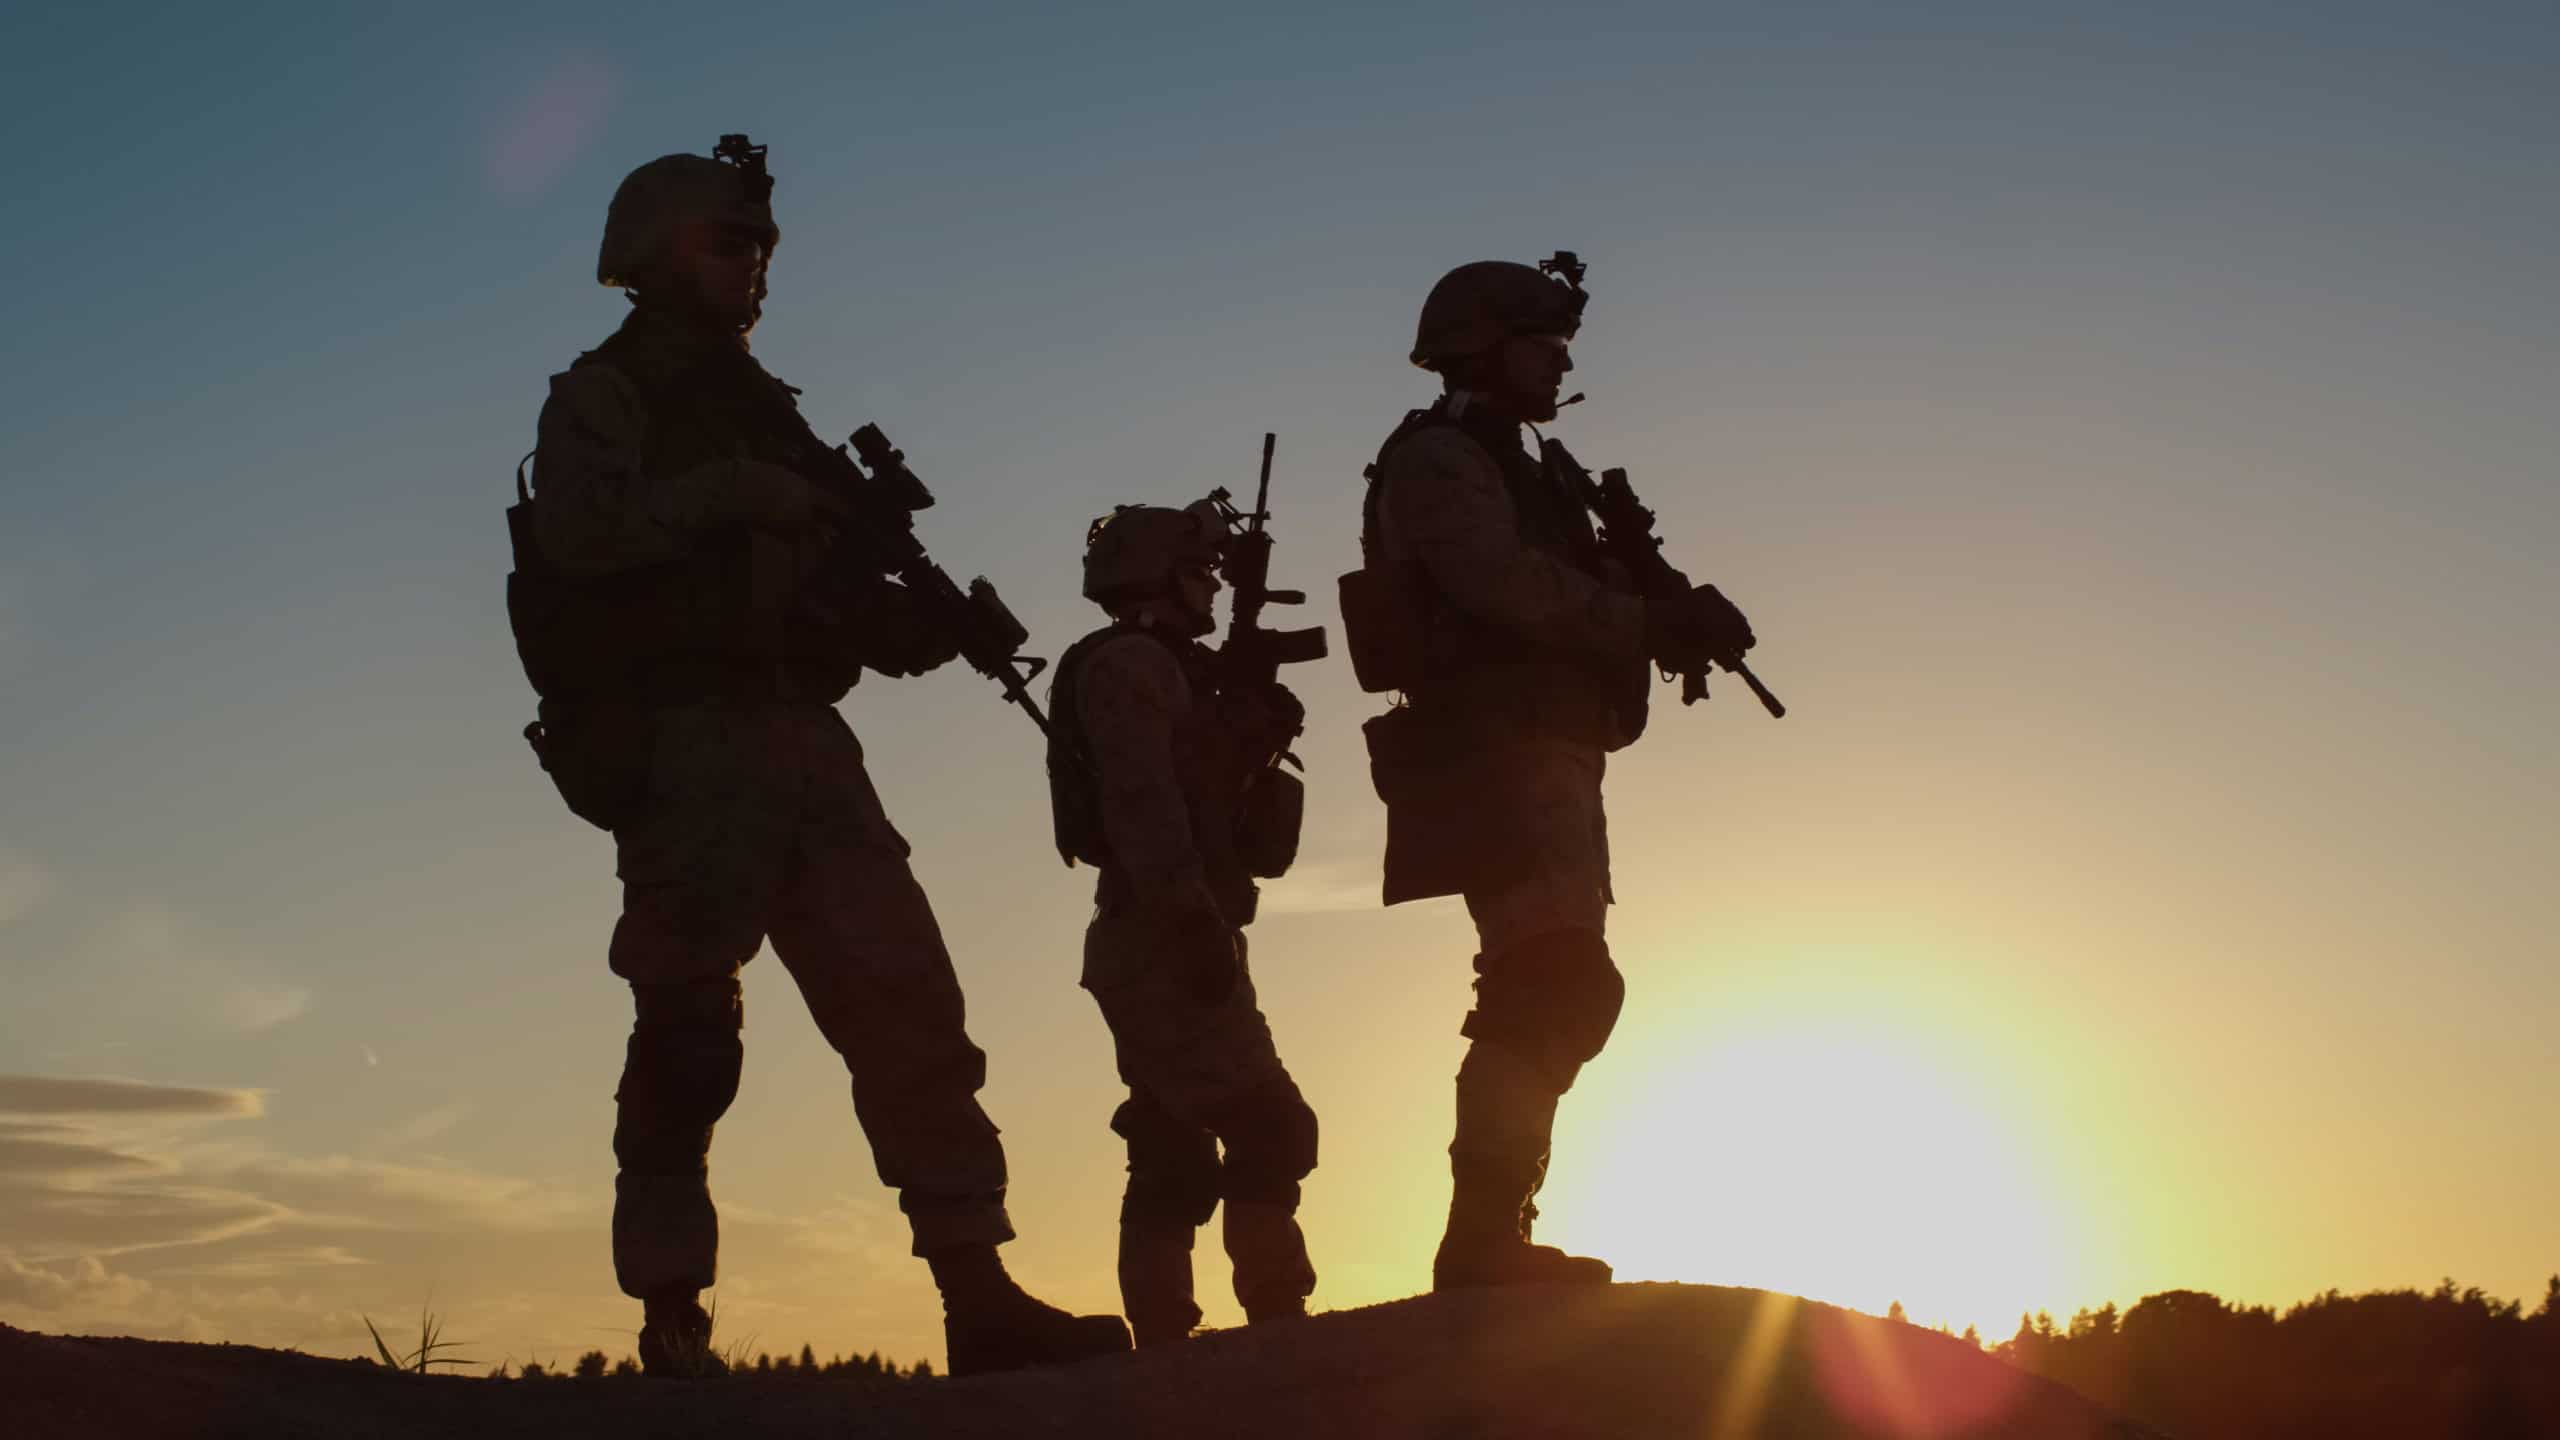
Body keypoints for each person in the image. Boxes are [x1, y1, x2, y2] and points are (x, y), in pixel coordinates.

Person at [508, 135, 1129, 1376]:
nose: (756, 267)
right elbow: (581, 542)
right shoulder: (604, 396)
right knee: (690, 1032)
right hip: (689, 746)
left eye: (763, 248)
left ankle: (976, 1292)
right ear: (657, 251)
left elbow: (835, 599)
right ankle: (672, 1313)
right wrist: (736, 493)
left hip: (807, 742)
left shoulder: (765, 407)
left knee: (909, 1011)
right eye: (730, 242)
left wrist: (912, 623)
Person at [1340, 257, 1756, 1289]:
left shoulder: (1521, 465)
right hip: (1497, 746)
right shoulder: (1439, 457)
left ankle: (1492, 1232)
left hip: (1549, 746)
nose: (1559, 362)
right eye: (1542, 343)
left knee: (1561, 987)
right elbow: (1495, 584)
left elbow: (1563, 581)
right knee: (1548, 983)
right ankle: (1482, 1242)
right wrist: (1646, 619)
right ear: (1483, 344)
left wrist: (1666, 613)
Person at [1044, 502, 1320, 1343]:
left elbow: (1197, 798)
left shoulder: (1165, 667)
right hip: (1162, 928)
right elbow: (1142, 803)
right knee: (1271, 1125)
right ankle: (1274, 1316)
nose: (1211, 586)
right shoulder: (1132, 663)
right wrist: (1190, 919)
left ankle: (1164, 1336)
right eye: (1201, 571)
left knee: (1171, 1141)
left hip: (1164, 926)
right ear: (1161, 575)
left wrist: (1246, 735)